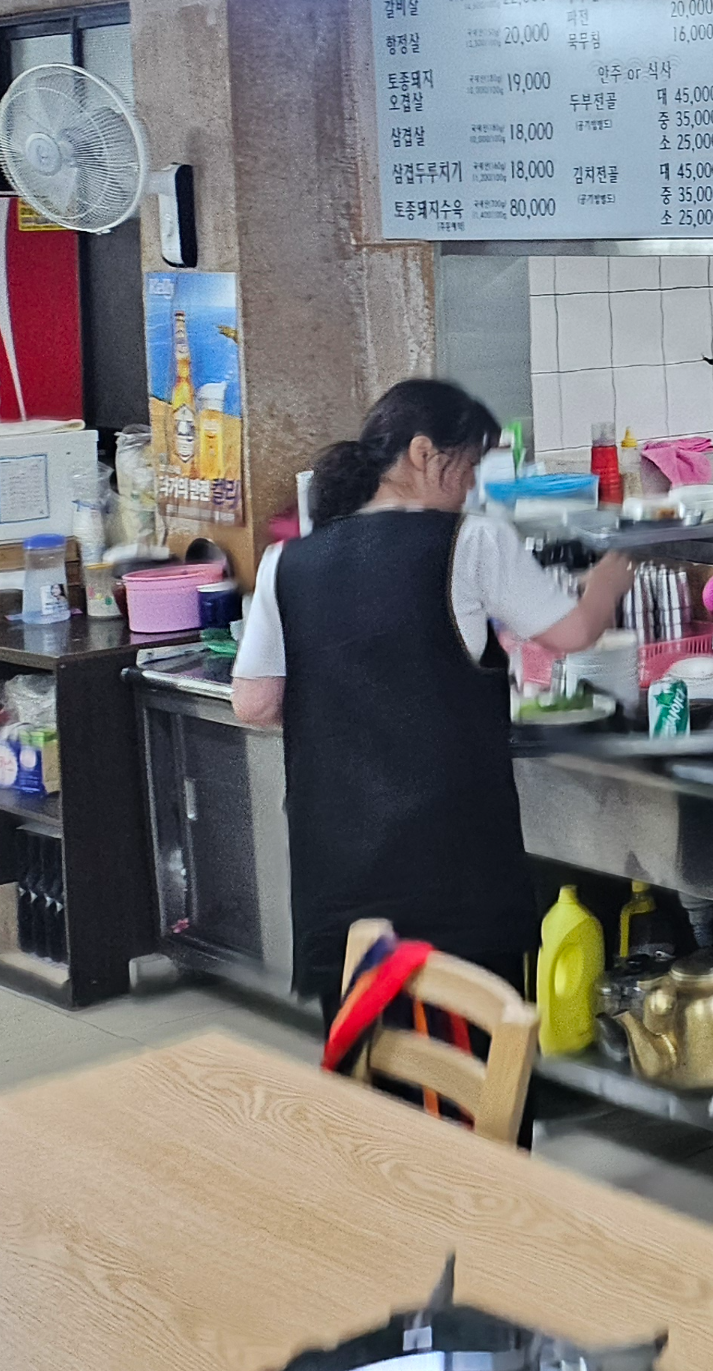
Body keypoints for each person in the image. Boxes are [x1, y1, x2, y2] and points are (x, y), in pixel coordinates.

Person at [230, 379, 634, 996]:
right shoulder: (469, 541)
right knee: (468, 1059)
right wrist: (609, 577)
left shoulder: (287, 562)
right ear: (423, 454)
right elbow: (574, 632)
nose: (473, 485)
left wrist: (352, 707)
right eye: (469, 465)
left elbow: (253, 703)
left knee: (367, 1052)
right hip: (451, 874)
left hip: (340, 873)